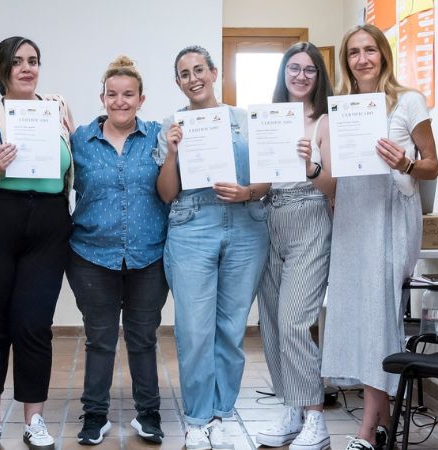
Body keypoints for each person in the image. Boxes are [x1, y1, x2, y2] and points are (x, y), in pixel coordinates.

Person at [320, 24, 438, 450]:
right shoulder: (345, 106)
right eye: (354, 52)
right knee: (356, 315)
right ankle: (386, 422)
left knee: (377, 316)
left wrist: (406, 163)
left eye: (370, 50)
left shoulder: (408, 100)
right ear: (346, 60)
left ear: (384, 54)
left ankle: (366, 431)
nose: (362, 58)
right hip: (352, 213)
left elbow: (433, 166)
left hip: (389, 215)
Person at [0, 36, 74, 450]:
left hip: (48, 223)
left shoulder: (57, 108)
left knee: (35, 324)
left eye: (34, 61)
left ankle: (34, 419)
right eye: (18, 61)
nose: (27, 68)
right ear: (2, 68)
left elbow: (74, 164)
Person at [156, 45, 270, 450]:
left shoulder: (245, 119)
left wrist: (247, 192)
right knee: (194, 329)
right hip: (191, 227)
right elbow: (166, 193)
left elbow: (267, 181)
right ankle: (197, 419)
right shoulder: (171, 124)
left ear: (214, 71)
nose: (193, 78)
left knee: (231, 328)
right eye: (184, 73)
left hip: (246, 226)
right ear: (178, 82)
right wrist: (171, 153)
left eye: (199, 69)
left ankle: (222, 413)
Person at [67, 56, 169, 446]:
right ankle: (95, 416)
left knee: (143, 337)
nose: (120, 101)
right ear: (102, 97)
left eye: (128, 95)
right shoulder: (79, 139)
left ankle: (149, 416)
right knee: (100, 339)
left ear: (141, 99)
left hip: (149, 256)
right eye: (112, 94)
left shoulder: (160, 136)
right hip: (91, 255)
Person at [254, 42, 335, 450]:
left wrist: (312, 166)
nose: (301, 76)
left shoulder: (324, 121)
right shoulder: (268, 118)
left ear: (319, 77)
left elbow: (333, 185)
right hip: (270, 217)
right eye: (294, 68)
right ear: (283, 73)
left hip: (309, 215)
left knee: (294, 321)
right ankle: (291, 408)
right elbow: (263, 180)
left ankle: (315, 417)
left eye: (309, 70)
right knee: (270, 320)